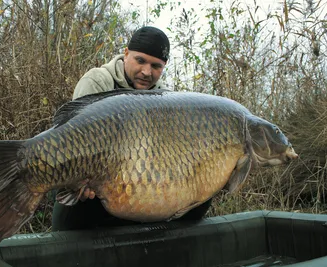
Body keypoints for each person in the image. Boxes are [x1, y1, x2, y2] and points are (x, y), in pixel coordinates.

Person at [52, 26, 211, 231]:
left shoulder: (166, 99)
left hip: (135, 185)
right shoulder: (98, 81)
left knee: (197, 200)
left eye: (156, 66)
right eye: (140, 60)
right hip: (91, 177)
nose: (146, 72)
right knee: (76, 195)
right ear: (126, 53)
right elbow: (73, 140)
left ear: (165, 66)